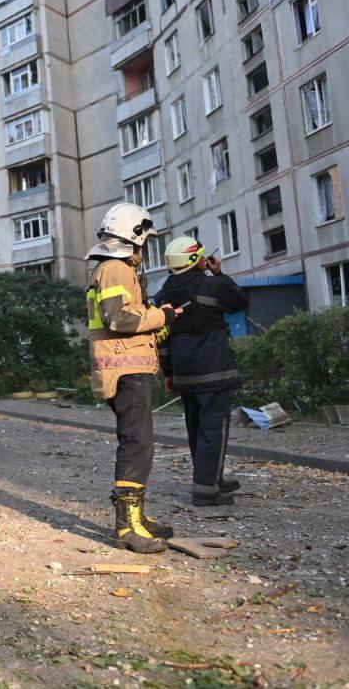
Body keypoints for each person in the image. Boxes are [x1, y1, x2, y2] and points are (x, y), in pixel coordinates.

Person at [86, 203, 182, 553]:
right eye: (144, 242)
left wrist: (163, 322)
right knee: (136, 444)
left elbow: (126, 325)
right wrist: (161, 315)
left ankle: (137, 517)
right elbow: (119, 320)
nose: (145, 250)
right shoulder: (114, 269)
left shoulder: (116, 269)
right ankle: (128, 526)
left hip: (128, 365)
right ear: (134, 236)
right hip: (125, 370)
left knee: (139, 443)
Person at [154, 237, 250, 506]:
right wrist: (219, 273)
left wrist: (169, 373)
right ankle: (207, 489)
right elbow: (240, 301)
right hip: (214, 369)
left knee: (197, 428)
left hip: (184, 372)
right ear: (197, 260)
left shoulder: (162, 295)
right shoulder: (212, 284)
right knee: (214, 428)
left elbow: (162, 338)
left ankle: (210, 477)